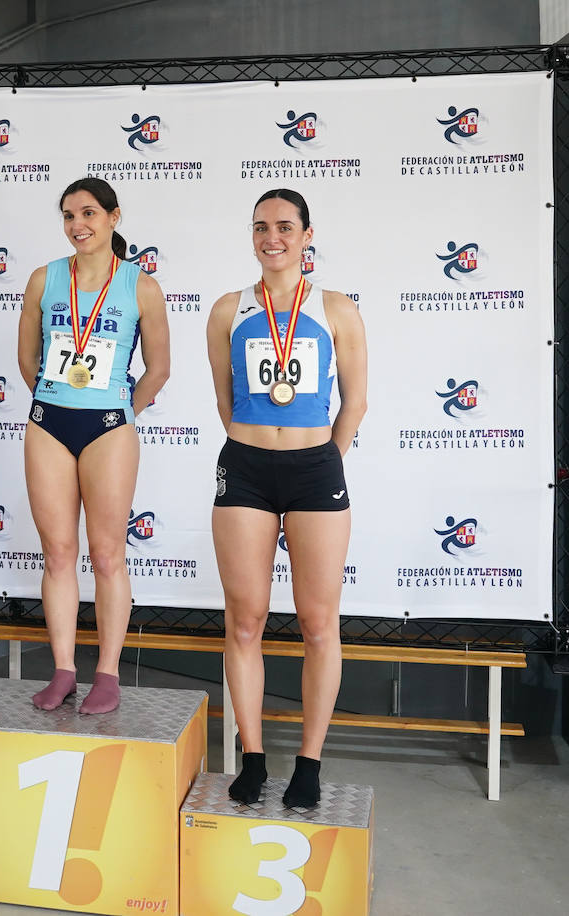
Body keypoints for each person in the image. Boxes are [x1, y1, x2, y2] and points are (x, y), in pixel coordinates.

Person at [206, 188, 367, 807]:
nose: (271, 236)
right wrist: (256, 445)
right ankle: (252, 757)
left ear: (306, 235)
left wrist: (323, 460)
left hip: (314, 470)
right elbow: (225, 399)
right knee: (245, 621)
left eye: (284, 226)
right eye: (260, 227)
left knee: (317, 622)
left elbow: (354, 401)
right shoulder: (227, 310)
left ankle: (308, 764)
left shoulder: (336, 309)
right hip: (245, 470)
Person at [17, 177, 171, 714]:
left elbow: (159, 369)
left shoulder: (139, 286)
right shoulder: (44, 278)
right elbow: (27, 360)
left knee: (107, 554)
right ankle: (62, 669)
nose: (77, 225)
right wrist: (55, 397)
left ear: (113, 217)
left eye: (87, 213)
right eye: (67, 215)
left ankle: (106, 674)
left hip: (109, 427)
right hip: (49, 423)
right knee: (58, 553)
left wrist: (124, 410)